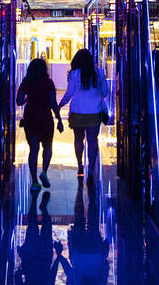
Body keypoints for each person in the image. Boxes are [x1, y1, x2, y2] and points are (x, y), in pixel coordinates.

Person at [58, 48, 110, 180]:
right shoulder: (99, 73)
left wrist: (60, 105)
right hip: (94, 112)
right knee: (92, 141)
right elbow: (105, 93)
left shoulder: (74, 74)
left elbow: (69, 93)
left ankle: (80, 164)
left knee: (78, 139)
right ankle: (91, 168)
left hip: (78, 112)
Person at [16, 58, 64, 189]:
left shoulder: (26, 82)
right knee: (47, 147)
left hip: (30, 118)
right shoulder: (49, 83)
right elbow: (53, 103)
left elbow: (19, 101)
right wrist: (59, 120)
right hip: (45, 118)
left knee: (33, 149)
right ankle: (44, 172)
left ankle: (34, 182)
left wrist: (28, 98)